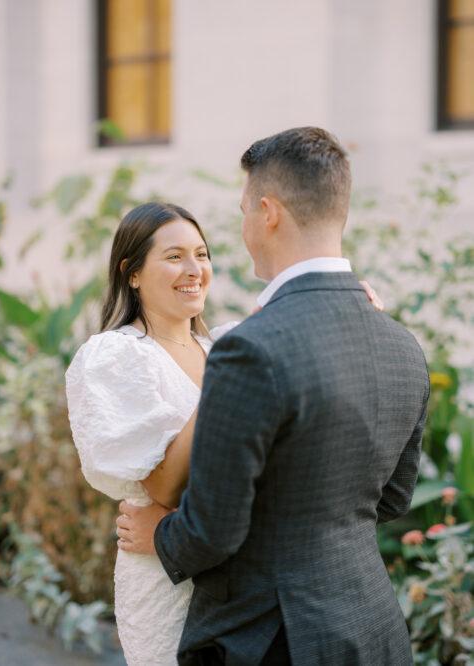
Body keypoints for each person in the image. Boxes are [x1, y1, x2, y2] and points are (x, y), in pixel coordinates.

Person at [115, 127, 429, 666]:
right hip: (372, 627)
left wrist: (161, 535)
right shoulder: (403, 345)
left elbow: (213, 529)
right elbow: (393, 499)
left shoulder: (249, 348)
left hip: (270, 638)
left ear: (269, 212)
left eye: (243, 212)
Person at [66, 196, 381, 665]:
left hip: (244, 575)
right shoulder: (117, 356)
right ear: (131, 272)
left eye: (201, 254)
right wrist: (232, 371)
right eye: (174, 257)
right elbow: (163, 484)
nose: (194, 269)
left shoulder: (225, 345)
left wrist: (347, 316)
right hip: (169, 579)